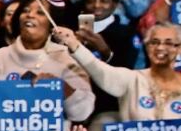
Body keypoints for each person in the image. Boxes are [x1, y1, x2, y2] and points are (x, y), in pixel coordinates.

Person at [0, 0, 95, 131]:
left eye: (40, 12)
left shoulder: (66, 58)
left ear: (52, 23)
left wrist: (62, 88)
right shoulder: (0, 56)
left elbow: (83, 111)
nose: (30, 15)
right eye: (25, 10)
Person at [52, 21, 181, 122]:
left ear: (179, 48)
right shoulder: (132, 79)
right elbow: (98, 68)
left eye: (169, 43)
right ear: (147, 47)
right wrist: (74, 44)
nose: (160, 47)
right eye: (154, 42)